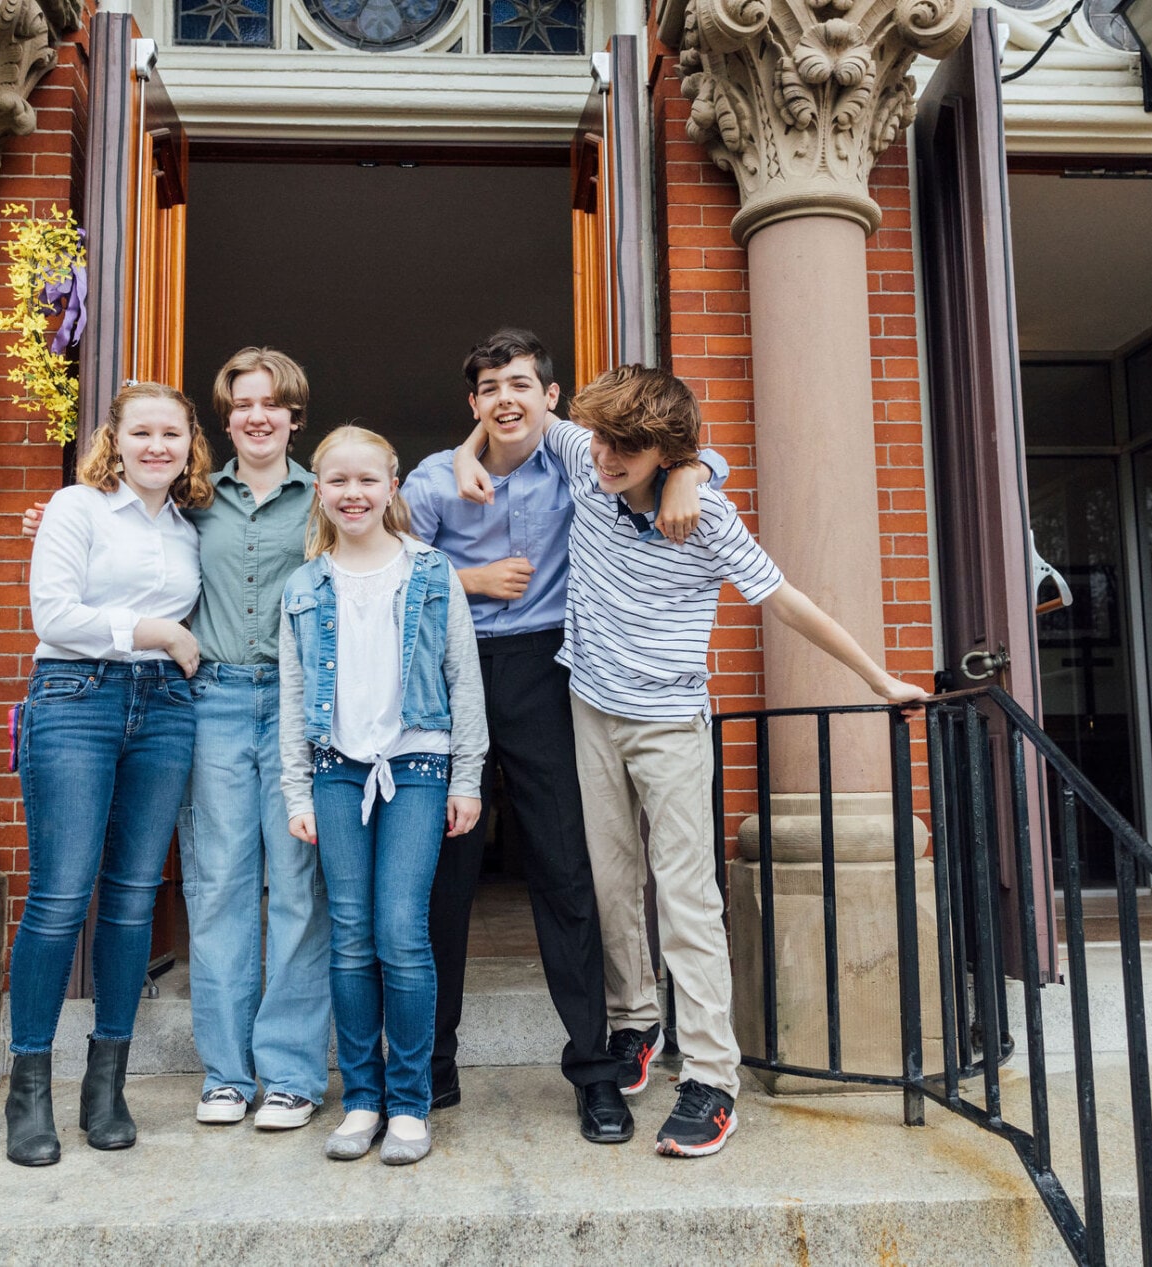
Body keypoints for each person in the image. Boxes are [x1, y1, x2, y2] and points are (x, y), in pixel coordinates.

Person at [454, 365, 927, 1157]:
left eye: (628, 448)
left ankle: (711, 1076)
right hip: (588, 706)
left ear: (666, 451)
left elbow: (787, 601)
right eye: (601, 438)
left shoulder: (704, 516)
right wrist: (471, 446)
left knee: (686, 897)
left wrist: (877, 678)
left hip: (668, 722)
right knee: (608, 881)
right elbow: (522, 418)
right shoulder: (584, 456)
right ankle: (637, 1018)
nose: (605, 457)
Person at [403, 328, 725, 1144]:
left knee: (565, 867)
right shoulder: (439, 476)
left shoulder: (581, 458)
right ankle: (430, 1067)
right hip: (452, 670)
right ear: (471, 404)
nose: (505, 397)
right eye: (487, 388)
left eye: (521, 383)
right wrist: (467, 577)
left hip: (550, 672)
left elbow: (674, 451)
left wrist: (689, 468)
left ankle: (596, 1069)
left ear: (552, 396)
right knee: (445, 874)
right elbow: (386, 557)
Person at [24, 349, 332, 1132]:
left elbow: (395, 551)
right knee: (219, 885)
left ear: (294, 415)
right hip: (213, 701)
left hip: (298, 708)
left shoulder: (328, 497)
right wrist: (53, 517)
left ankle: (292, 1074)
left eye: (273, 403)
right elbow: (105, 538)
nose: (257, 416)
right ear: (224, 421)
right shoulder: (197, 502)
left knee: (298, 887)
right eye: (242, 404)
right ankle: (227, 1074)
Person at [6, 381, 213, 1167]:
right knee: (61, 894)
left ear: (189, 443)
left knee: (132, 899)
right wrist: (157, 628)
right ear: (115, 441)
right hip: (75, 698)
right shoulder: (75, 509)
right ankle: (28, 1091)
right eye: (142, 433)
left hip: (163, 706)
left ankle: (106, 1085)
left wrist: (164, 648)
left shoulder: (193, 525)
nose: (157, 446)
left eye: (172, 434)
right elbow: (52, 616)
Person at [279, 426, 487, 1166]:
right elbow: (294, 692)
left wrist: (468, 776)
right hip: (336, 769)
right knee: (351, 932)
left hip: (419, 769)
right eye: (338, 480)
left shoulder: (431, 571)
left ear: (393, 484)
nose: (354, 492)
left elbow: (464, 679)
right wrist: (296, 789)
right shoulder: (306, 585)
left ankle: (409, 1102)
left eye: (368, 479)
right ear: (320, 490)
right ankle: (360, 1099)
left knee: (401, 929)